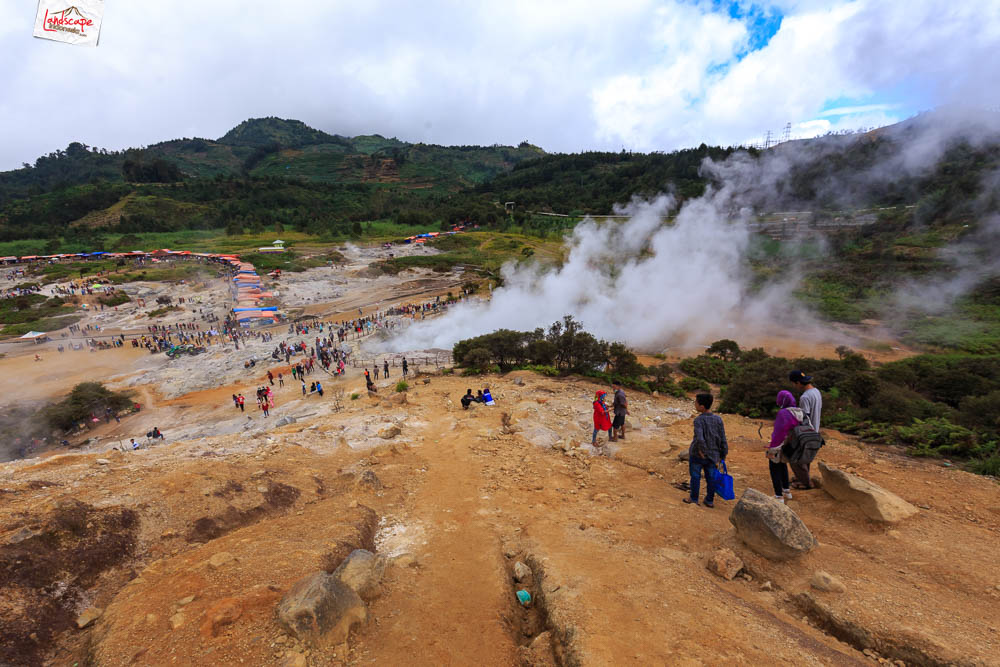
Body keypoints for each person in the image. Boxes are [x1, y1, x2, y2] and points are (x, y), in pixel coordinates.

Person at [683, 393, 728, 508]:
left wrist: (702, 451)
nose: (695, 404)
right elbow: (722, 437)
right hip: (713, 455)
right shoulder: (718, 419)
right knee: (711, 478)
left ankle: (693, 498)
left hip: (698, 454)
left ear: (702, 406)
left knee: (695, 476)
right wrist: (723, 453)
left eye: (696, 403)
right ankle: (709, 500)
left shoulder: (698, 420)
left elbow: (700, 438)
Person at [789, 370, 822, 490]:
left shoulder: (805, 397)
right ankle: (801, 478)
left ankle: (806, 483)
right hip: (815, 429)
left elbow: (804, 416)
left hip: (807, 431)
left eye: (794, 383)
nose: (794, 386)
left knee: (796, 457)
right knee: (806, 455)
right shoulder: (816, 392)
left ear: (798, 382)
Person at [767, 391, 800, 503]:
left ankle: (778, 495)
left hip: (780, 444)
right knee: (783, 465)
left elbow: (778, 433)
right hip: (791, 446)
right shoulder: (799, 411)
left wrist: (771, 448)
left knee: (774, 467)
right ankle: (787, 491)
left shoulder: (783, 413)